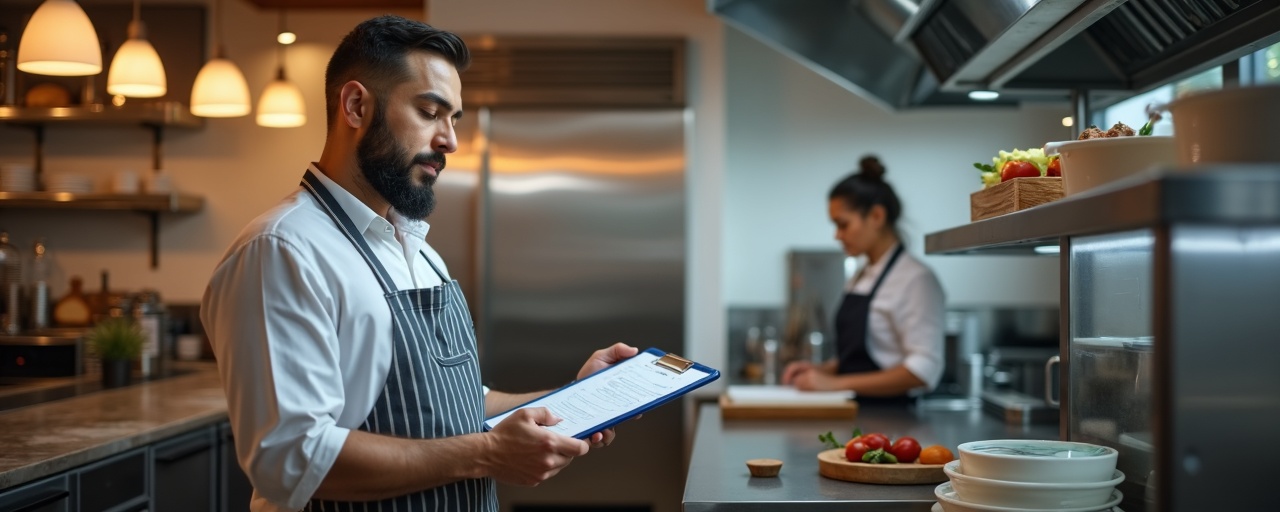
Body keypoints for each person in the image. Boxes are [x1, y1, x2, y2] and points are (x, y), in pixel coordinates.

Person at [201, 15, 636, 512]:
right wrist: (488, 454)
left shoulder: (415, 249)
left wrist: (578, 396)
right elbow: (292, 458)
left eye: (454, 119)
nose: (449, 140)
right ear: (356, 105)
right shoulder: (281, 250)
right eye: (431, 112)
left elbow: (461, 406)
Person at [780, 156, 945, 404]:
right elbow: (862, 359)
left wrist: (835, 384)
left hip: (892, 419)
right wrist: (823, 370)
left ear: (877, 216)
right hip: (855, 412)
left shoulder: (916, 279)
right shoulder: (861, 275)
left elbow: (923, 370)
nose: (837, 235)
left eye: (843, 224)